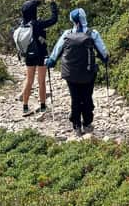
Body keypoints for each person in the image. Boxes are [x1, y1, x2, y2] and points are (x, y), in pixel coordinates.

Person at [46, 7, 109, 137]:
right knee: (87, 97)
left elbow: (56, 52)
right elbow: (104, 53)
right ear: (84, 18)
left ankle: (76, 126)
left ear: (71, 20)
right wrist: (105, 59)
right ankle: (87, 123)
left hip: (71, 74)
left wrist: (50, 62)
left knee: (75, 99)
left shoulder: (67, 34)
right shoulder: (92, 33)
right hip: (88, 73)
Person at [18, 0, 59, 116]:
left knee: (29, 80)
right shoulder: (38, 24)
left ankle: (25, 107)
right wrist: (52, 3)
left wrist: (38, 0)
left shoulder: (23, 24)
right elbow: (53, 19)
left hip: (29, 55)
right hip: (41, 54)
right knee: (41, 81)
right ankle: (42, 106)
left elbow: (29, 9)